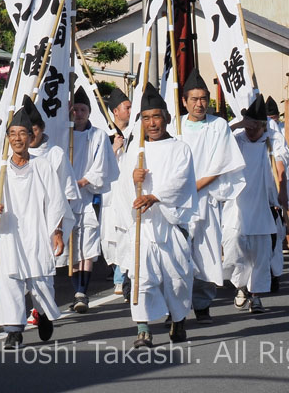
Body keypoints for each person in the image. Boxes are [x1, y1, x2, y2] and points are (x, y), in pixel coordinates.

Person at [117, 83, 198, 348]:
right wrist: (133, 179)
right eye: (147, 118)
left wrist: (154, 196)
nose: (152, 123)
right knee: (141, 277)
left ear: (166, 119)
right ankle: (143, 329)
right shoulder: (135, 151)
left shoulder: (180, 148)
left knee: (177, 279)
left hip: (171, 222)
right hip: (143, 225)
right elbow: (123, 189)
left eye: (157, 117)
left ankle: (178, 319)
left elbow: (181, 181)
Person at [0, 106, 75, 349]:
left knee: (41, 280)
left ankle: (44, 313)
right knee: (9, 280)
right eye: (12, 133)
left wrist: (57, 231)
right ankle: (13, 331)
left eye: (22, 133)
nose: (17, 138)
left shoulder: (42, 166)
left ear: (30, 137)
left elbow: (56, 201)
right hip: (8, 233)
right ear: (7, 138)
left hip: (37, 230)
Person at [179, 69, 245, 324]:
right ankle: (178, 308)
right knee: (179, 255)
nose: (199, 104)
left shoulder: (218, 126)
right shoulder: (176, 125)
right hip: (180, 203)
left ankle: (203, 304)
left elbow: (220, 165)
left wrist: (194, 186)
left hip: (206, 199)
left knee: (205, 254)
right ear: (184, 101)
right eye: (194, 99)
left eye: (203, 98)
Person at [223, 94, 285, 313]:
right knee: (234, 251)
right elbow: (221, 137)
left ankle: (256, 296)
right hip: (236, 208)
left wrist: (281, 194)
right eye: (248, 127)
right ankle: (241, 287)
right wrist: (240, 124)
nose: (250, 131)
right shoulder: (237, 139)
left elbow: (280, 166)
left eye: (254, 127)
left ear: (263, 125)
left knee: (260, 255)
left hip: (261, 206)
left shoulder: (271, 142)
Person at [65, 86, 119, 312]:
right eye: (75, 109)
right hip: (65, 198)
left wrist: (83, 182)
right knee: (71, 245)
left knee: (86, 243)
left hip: (87, 197)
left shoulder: (97, 135)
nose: (79, 113)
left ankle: (81, 292)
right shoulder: (63, 134)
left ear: (89, 112)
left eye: (83, 109)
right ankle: (75, 288)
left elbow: (103, 166)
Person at [103, 88, 133, 295]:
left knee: (128, 229)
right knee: (111, 234)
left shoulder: (135, 132)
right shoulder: (103, 134)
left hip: (130, 188)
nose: (131, 111)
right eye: (127, 107)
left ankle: (126, 275)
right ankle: (118, 274)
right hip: (111, 191)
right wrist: (113, 148)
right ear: (115, 111)